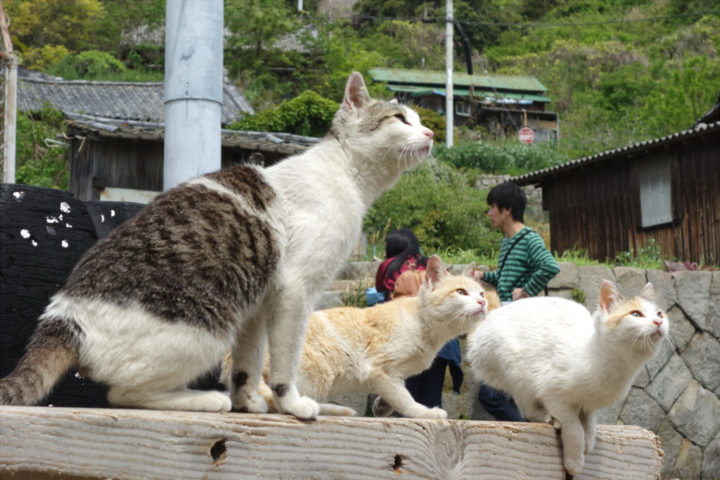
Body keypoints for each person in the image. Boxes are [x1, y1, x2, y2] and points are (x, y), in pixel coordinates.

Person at [475, 181, 560, 421]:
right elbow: (504, 278)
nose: (490, 213)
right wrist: (483, 276)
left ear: (507, 210)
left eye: (493, 207)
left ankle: (525, 432)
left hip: (521, 325)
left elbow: (549, 266)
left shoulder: (528, 239)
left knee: (491, 394)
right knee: (506, 392)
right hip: (507, 320)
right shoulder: (507, 242)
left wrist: (526, 290)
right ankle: (527, 429)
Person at [375, 228, 463, 409]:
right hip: (440, 341)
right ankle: (432, 436)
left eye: (386, 245)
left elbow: (380, 292)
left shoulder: (389, 265)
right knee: (432, 401)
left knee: (405, 403)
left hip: (405, 338)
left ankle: (404, 437)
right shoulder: (431, 265)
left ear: (393, 246)